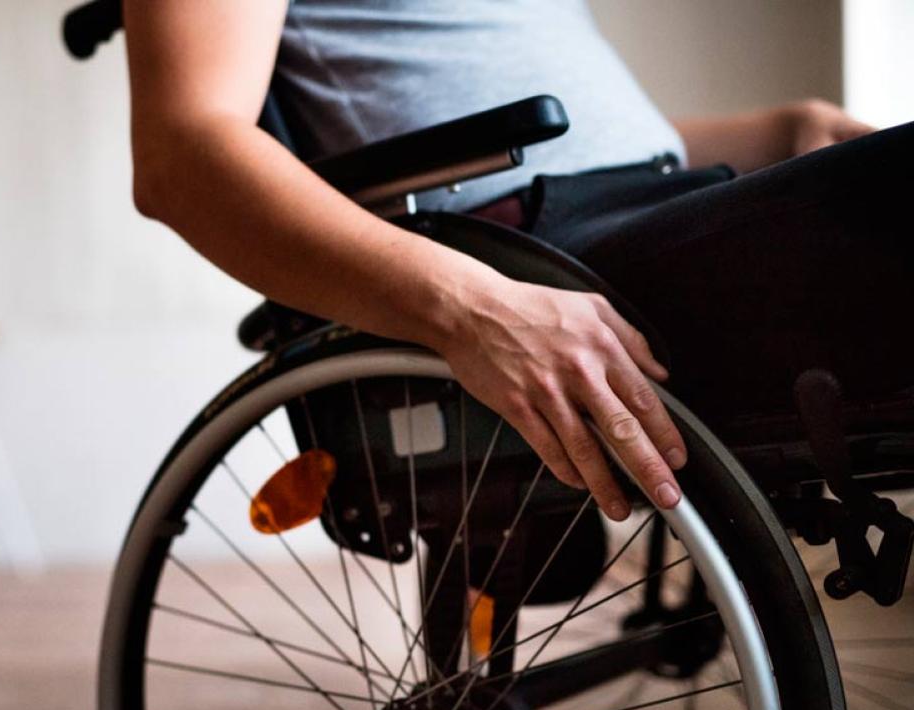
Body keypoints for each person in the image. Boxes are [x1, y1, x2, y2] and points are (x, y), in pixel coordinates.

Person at [123, 0, 904, 521]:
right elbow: (181, 161)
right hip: (543, 260)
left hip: (642, 206)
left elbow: (553, 134)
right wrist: (470, 309)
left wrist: (778, 133)